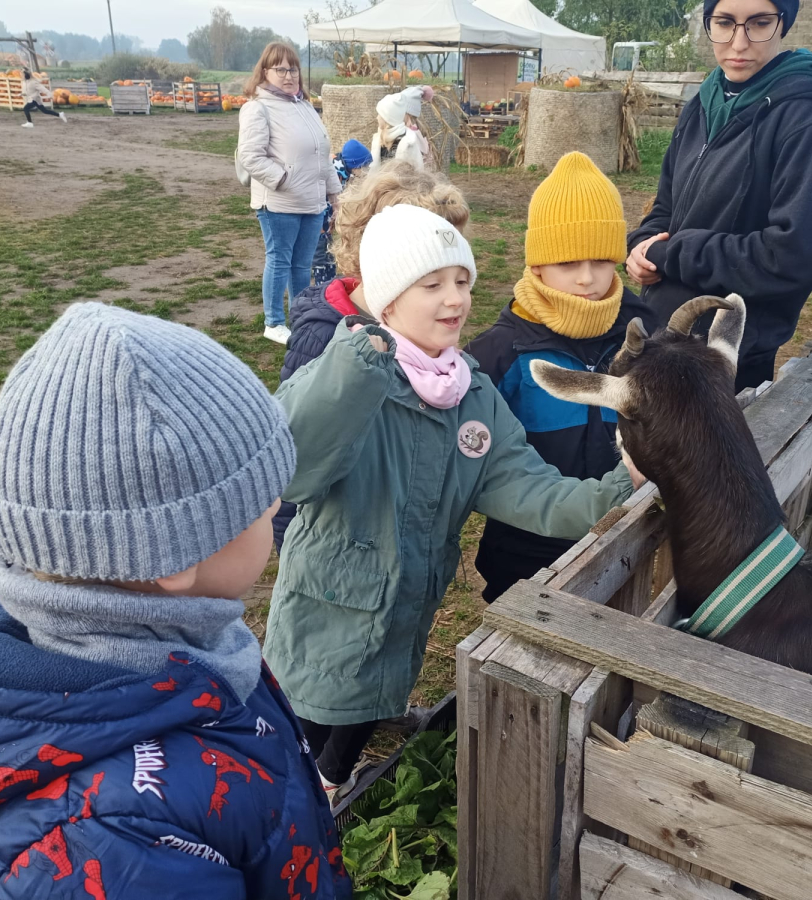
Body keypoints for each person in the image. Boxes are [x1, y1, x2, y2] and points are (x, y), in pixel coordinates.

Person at [0, 303, 350, 900]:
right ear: (173, 554)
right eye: (262, 498)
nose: (277, 506)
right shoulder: (95, 846)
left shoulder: (186, 642)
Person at [266, 204, 643, 800]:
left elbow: (534, 492)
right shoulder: (347, 374)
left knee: (363, 714)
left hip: (403, 614)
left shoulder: (472, 397)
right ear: (387, 300)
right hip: (326, 614)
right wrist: (358, 366)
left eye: (462, 281)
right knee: (300, 736)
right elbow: (292, 468)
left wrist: (625, 484)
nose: (455, 299)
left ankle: (332, 788)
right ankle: (297, 810)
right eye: (432, 285)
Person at [626, 0, 812, 392]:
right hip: (663, 332)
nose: (739, 42)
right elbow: (667, 206)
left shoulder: (806, 118)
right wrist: (642, 246)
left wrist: (672, 252)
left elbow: (795, 252)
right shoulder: (703, 103)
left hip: (728, 353)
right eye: (725, 22)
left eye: (759, 23)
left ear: (783, 23)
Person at [467, 152, 658, 602]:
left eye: (601, 260)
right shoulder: (498, 353)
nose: (587, 279)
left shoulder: (646, 335)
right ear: (537, 265)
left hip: (626, 543)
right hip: (523, 558)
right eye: (568, 263)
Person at [274, 161, 470, 554]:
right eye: (431, 275)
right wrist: (289, 539)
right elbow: (293, 442)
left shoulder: (422, 328)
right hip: (331, 546)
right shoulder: (324, 337)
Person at [239, 42, 340, 346]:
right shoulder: (258, 107)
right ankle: (273, 322)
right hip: (279, 202)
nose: (288, 75)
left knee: (302, 264)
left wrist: (334, 194)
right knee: (280, 260)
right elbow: (250, 155)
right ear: (265, 72)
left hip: (312, 202)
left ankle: (301, 316)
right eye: (280, 69)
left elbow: (322, 156)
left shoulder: (305, 106)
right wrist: (282, 179)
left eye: (293, 69)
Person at [311, 138, 374, 287]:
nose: (367, 171)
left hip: (327, 220)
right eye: (365, 166)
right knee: (321, 255)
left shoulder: (342, 171)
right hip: (319, 219)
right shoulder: (336, 173)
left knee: (329, 253)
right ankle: (321, 285)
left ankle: (329, 282)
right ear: (355, 164)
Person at [371, 86, 435, 170]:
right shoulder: (381, 138)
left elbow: (417, 169)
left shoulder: (409, 141)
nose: (377, 118)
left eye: (380, 115)